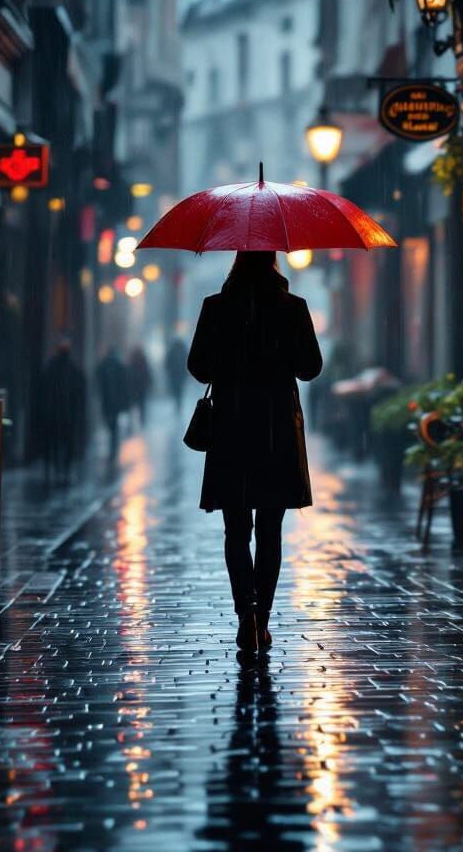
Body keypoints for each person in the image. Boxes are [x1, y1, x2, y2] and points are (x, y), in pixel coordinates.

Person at [187, 250, 322, 653]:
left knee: (236, 531)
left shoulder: (216, 307)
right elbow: (310, 367)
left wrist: (230, 355)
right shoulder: (292, 307)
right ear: (273, 260)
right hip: (275, 430)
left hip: (232, 429)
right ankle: (262, 617)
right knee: (270, 531)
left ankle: (245, 614)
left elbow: (198, 367)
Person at [38, 337, 86, 484]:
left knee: (54, 444)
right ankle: (61, 470)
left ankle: (56, 470)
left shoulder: (51, 369)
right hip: (64, 415)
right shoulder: (72, 370)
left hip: (56, 415)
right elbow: (80, 394)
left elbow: (42, 392)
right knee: (63, 444)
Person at [95, 346, 129, 457]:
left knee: (110, 422)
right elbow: (124, 385)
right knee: (113, 424)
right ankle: (113, 446)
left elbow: (98, 378)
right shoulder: (119, 366)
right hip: (115, 401)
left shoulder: (104, 365)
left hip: (107, 400)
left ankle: (113, 445)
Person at [127, 346, 152, 427]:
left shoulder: (132, 361)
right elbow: (147, 372)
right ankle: (142, 420)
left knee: (133, 404)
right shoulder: (143, 359)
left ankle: (133, 421)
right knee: (142, 404)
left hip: (134, 387)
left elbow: (129, 373)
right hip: (141, 387)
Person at [165, 335, 189, 412]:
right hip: (180, 375)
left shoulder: (172, 350)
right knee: (179, 390)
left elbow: (167, 363)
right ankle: (179, 403)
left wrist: (169, 371)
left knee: (176, 389)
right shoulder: (183, 349)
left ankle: (177, 402)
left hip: (174, 375)